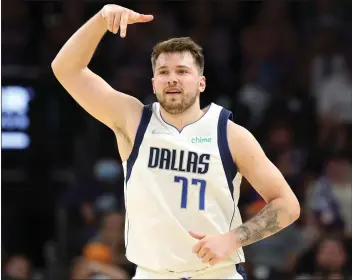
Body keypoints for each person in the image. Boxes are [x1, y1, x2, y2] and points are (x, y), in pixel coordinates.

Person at [51, 4, 301, 279]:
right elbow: (65, 69)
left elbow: (287, 204)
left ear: (201, 82)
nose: (172, 79)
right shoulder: (133, 120)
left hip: (216, 274)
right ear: (154, 82)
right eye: (164, 72)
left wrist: (233, 238)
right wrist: (100, 19)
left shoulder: (230, 134)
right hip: (152, 273)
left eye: (182, 71)